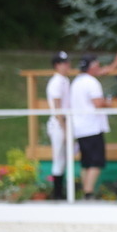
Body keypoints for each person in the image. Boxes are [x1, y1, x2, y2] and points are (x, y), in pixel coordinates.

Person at [70, 55, 111, 200]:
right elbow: (98, 103)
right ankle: (88, 192)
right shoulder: (91, 82)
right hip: (92, 126)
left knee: (86, 162)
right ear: (92, 67)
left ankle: (86, 191)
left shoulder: (76, 82)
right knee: (95, 161)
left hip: (79, 126)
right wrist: (108, 103)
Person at [45, 51, 72, 200]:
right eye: (64, 63)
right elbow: (57, 108)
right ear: (57, 65)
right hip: (59, 124)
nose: (67, 65)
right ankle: (57, 193)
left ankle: (62, 191)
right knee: (59, 158)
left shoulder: (64, 81)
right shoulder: (56, 82)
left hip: (65, 122)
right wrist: (64, 127)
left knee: (64, 158)